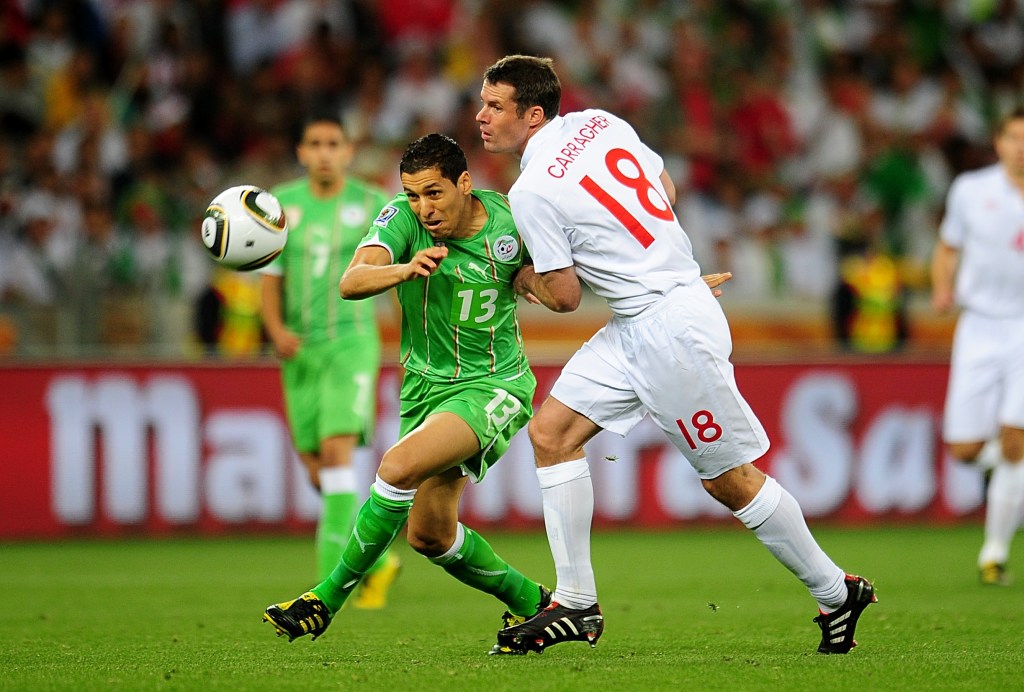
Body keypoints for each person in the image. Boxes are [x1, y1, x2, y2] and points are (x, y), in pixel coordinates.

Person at [475, 54, 876, 655]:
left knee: (729, 481)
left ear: (532, 116)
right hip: (650, 314)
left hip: (668, 329)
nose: (481, 116)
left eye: (494, 105)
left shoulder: (531, 190)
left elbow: (561, 295)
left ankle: (835, 590)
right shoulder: (600, 124)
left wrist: (514, 278)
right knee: (552, 433)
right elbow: (662, 188)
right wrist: (664, 266)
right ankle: (576, 604)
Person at [263, 133, 551, 647]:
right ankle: (536, 603)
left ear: (465, 184)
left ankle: (324, 600)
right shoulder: (400, 218)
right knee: (430, 535)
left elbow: (570, 274)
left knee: (394, 467)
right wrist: (405, 268)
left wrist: (661, 287)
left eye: (434, 193)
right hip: (423, 390)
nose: (423, 207)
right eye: (413, 194)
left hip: (493, 384)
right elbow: (351, 282)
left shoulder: (512, 219)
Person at [260, 114, 400, 609]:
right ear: (301, 152)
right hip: (300, 350)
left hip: (351, 343)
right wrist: (275, 330)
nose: (323, 152)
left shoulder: (372, 204)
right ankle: (378, 560)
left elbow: (396, 274)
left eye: (333, 144)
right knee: (317, 469)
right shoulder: (280, 206)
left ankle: (325, 594)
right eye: (314, 143)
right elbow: (270, 277)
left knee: (339, 457)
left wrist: (409, 337)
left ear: (348, 151)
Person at [931, 106, 1024, 587]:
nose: (1021, 146)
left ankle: (993, 553)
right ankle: (1016, 474)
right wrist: (942, 287)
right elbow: (948, 247)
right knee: (964, 447)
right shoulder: (971, 190)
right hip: (979, 325)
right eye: (1013, 136)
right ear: (999, 141)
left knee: (1014, 440)